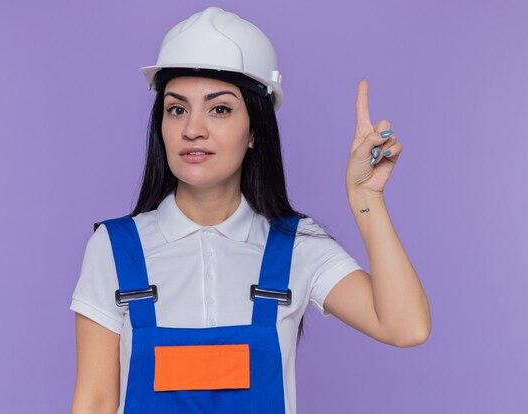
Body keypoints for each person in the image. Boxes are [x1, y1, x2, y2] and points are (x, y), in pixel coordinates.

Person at [69, 6, 431, 414]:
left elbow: (406, 327)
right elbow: (95, 402)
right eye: (177, 108)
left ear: (255, 130)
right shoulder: (115, 249)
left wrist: (367, 199)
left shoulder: (295, 246)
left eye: (219, 108)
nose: (193, 129)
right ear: (162, 126)